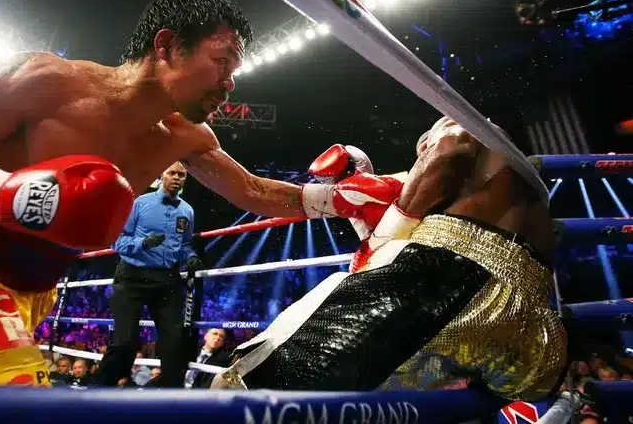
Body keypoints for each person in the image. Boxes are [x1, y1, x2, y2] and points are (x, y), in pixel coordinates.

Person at [0, 0, 398, 385]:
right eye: (221, 61)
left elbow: (255, 194)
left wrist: (337, 198)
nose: (230, 81)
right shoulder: (48, 82)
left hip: (23, 297)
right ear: (166, 47)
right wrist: (6, 196)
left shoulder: (187, 137)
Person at [212, 116, 567, 401]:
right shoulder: (512, 183)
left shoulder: (463, 127)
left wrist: (384, 235)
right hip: (535, 328)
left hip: (449, 279)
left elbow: (452, 149)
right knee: (409, 400)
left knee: (253, 384)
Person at [96, 161, 200, 388]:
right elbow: (116, 240)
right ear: (162, 175)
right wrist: (142, 242)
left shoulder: (187, 211)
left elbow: (184, 245)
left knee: (174, 341)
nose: (177, 178)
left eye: (181, 175)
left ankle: (171, 397)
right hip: (132, 276)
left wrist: (189, 256)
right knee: (125, 342)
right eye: (172, 173)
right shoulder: (139, 203)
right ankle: (98, 391)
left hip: (167, 280)